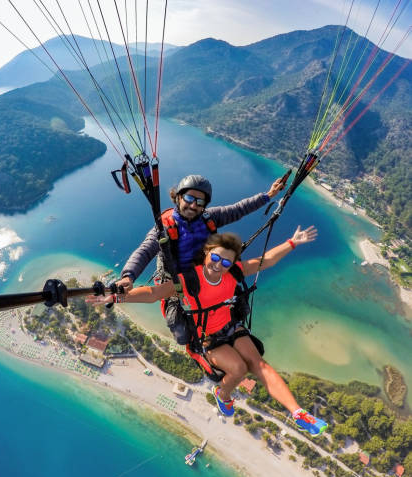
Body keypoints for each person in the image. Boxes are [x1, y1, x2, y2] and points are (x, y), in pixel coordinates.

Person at [106, 226, 328, 436]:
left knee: (258, 364)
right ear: (206, 253)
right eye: (215, 257)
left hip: (231, 326)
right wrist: (117, 296)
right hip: (208, 338)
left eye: (225, 262)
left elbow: (266, 261)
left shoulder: (233, 274)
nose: (219, 265)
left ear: (232, 264)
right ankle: (223, 395)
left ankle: (298, 412)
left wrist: (292, 242)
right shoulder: (189, 279)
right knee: (239, 369)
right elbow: (153, 293)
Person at [116, 173, 287, 342]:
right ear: (179, 197)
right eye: (189, 198)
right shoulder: (164, 227)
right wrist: (128, 276)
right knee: (183, 334)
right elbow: (145, 251)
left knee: (240, 310)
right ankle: (201, 346)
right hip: (177, 285)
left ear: (204, 205)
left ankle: (224, 334)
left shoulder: (208, 217)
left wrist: (268, 195)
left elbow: (238, 209)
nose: (193, 205)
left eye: (199, 202)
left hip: (207, 276)